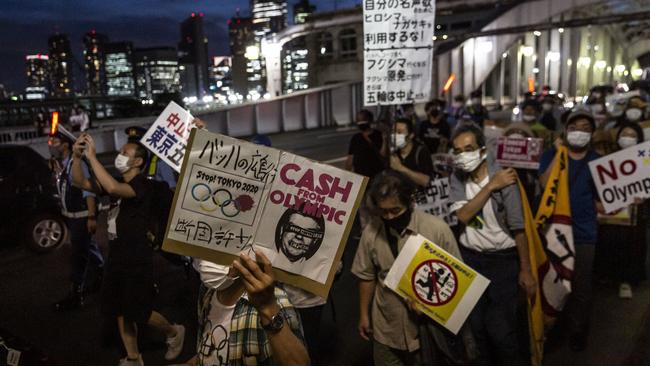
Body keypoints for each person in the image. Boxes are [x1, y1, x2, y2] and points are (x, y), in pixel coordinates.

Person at [70, 134, 185, 365]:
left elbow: (112, 187)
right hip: (117, 256)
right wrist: (76, 158)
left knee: (138, 310)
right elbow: (80, 182)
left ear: (138, 162)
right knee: (119, 309)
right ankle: (133, 358)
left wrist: (92, 157)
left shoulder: (143, 185)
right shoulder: (117, 182)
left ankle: (173, 331)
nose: (120, 156)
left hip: (136, 256)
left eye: (125, 153)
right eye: (120, 151)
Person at [352, 170, 461, 366]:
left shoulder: (437, 230)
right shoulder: (371, 232)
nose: (389, 217)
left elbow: (459, 281)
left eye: (396, 211)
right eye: (383, 212)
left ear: (410, 202)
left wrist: (431, 305)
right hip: (386, 328)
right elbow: (366, 275)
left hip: (427, 332)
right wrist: (363, 314)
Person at [448, 123, 536, 366]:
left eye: (468, 148)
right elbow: (463, 216)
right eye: (458, 150)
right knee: (477, 329)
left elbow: (519, 229)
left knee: (501, 331)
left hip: (503, 263)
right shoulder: (457, 178)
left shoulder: (505, 177)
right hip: (471, 260)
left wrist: (525, 269)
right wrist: (490, 186)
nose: (463, 155)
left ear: (483, 151)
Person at [172, 253, 310, 366]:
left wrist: (268, 309)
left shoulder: (275, 303)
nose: (205, 263)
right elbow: (212, 349)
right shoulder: (208, 292)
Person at [539, 110, 601, 352]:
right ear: (565, 131)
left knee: (581, 287)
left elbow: (602, 200)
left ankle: (578, 331)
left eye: (586, 128)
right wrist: (559, 152)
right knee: (555, 283)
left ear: (592, 134)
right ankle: (554, 328)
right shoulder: (551, 155)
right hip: (555, 231)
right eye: (575, 127)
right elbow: (545, 184)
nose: (580, 132)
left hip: (585, 233)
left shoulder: (597, 160)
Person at [48, 131, 104, 311]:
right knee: (89, 248)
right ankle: (102, 275)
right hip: (74, 218)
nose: (51, 145)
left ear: (66, 145)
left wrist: (91, 217)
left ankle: (76, 294)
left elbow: (88, 191)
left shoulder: (76, 164)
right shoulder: (64, 164)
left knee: (78, 256)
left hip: (82, 218)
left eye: (55, 142)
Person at [595, 122, 648, 299]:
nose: (628, 138)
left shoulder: (645, 159)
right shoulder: (608, 158)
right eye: (625, 134)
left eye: (633, 135)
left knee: (631, 246)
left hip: (635, 213)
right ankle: (607, 276)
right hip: (612, 214)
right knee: (610, 241)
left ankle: (626, 280)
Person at [124, 126, 178, 190]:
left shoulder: (160, 162)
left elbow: (172, 189)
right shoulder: (126, 163)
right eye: (131, 145)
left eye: (138, 146)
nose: (134, 149)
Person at [388, 118, 433, 189]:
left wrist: (400, 168)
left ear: (411, 135)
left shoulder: (421, 151)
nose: (395, 136)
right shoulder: (394, 153)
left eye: (399, 132)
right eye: (393, 132)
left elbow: (427, 181)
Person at [344, 109, 385, 180]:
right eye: (358, 120)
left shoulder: (379, 135)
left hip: (376, 176)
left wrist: (385, 140)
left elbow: (384, 154)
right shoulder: (356, 138)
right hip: (360, 177)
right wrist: (345, 176)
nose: (360, 122)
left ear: (370, 120)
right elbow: (350, 159)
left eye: (363, 119)